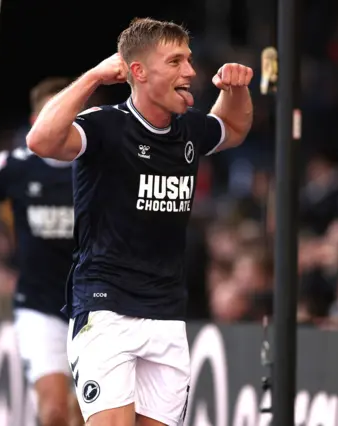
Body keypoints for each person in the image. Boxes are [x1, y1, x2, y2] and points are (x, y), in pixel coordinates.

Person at [27, 18, 254, 426]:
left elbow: (234, 126)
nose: (190, 72)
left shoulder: (188, 129)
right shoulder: (105, 125)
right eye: (176, 62)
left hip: (167, 313)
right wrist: (95, 75)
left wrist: (235, 90)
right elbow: (41, 140)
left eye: (188, 60)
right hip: (106, 309)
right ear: (138, 72)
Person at [0, 76, 83, 426]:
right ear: (38, 123)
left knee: (88, 414)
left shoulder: (100, 165)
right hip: (38, 303)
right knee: (53, 413)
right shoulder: (14, 167)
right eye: (55, 113)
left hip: (96, 304)